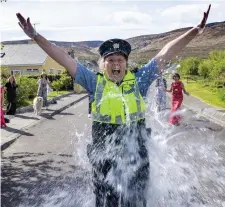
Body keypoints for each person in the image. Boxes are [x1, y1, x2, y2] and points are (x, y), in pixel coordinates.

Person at [16, 5, 210, 207]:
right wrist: (35, 36)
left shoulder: (140, 80)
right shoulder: (93, 81)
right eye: (110, 60)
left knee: (136, 201)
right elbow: (64, 58)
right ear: (103, 63)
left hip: (137, 153)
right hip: (103, 154)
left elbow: (165, 53)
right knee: (106, 202)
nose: (116, 64)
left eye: (120, 59)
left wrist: (196, 30)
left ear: (126, 63)